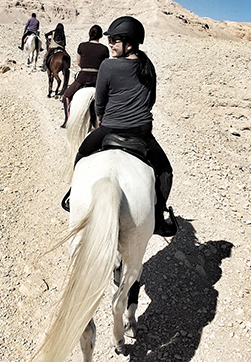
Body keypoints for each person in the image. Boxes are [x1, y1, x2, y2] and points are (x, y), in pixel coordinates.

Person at [64, 16, 176, 237]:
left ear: (130, 44)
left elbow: (101, 101)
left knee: (83, 153)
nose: (110, 44)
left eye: (115, 40)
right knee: (165, 170)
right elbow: (151, 99)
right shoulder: (148, 66)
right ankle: (159, 215)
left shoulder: (108, 65)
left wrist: (101, 119)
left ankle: (72, 195)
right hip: (142, 133)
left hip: (110, 129)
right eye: (110, 39)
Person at [60, 24, 109, 128]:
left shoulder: (82, 46)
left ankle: (67, 120)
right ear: (100, 36)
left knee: (67, 96)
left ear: (89, 34)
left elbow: (78, 62)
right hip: (98, 79)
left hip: (82, 78)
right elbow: (105, 65)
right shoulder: (104, 49)